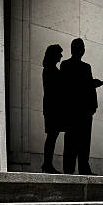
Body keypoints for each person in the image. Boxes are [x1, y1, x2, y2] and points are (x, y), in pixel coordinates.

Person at [60, 38, 103, 175]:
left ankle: (71, 169)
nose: (82, 50)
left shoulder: (66, 65)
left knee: (73, 142)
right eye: (81, 48)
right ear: (80, 50)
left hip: (75, 110)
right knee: (82, 142)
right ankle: (81, 168)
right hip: (81, 111)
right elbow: (86, 88)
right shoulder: (83, 67)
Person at [41, 44, 63, 174]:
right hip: (53, 108)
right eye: (59, 53)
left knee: (52, 136)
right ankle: (47, 164)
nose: (61, 55)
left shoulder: (49, 69)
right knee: (52, 136)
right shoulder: (51, 70)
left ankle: (47, 163)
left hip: (50, 107)